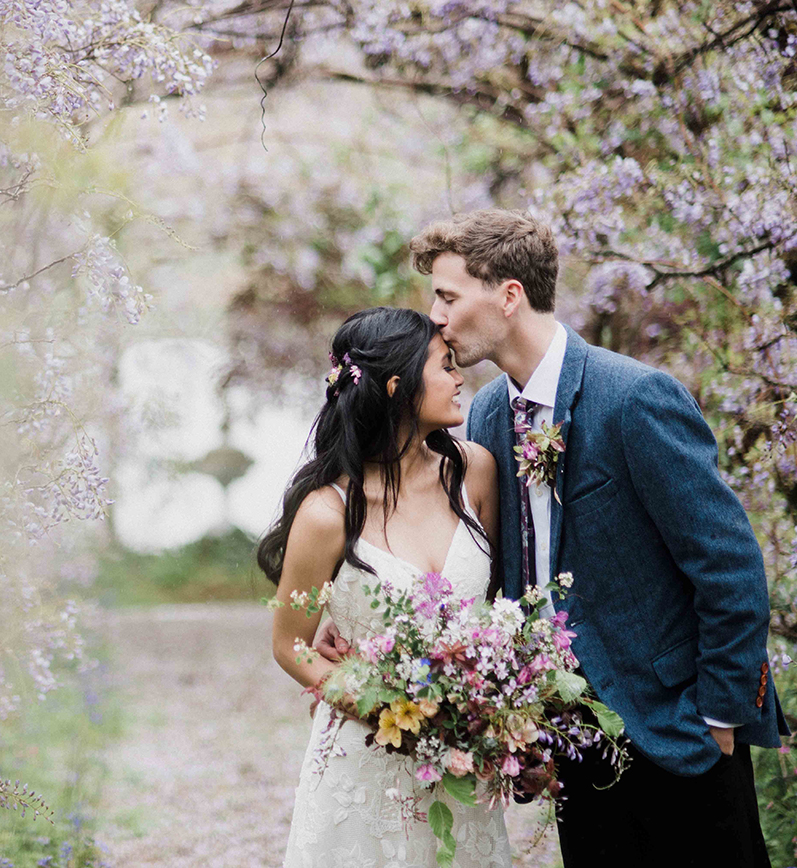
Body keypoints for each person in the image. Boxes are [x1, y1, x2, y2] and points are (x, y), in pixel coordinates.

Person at [320, 208, 786, 866]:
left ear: (509, 295)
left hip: (677, 734)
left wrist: (718, 717)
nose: (436, 317)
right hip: (572, 745)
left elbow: (731, 569)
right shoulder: (484, 414)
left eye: (447, 295)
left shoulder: (634, 398)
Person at [261, 306, 511, 867]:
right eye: (444, 366)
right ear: (398, 387)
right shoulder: (328, 513)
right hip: (367, 758)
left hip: (461, 761)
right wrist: (385, 707)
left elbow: (494, 609)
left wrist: (485, 708)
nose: (458, 377)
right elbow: (290, 644)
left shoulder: (475, 472)